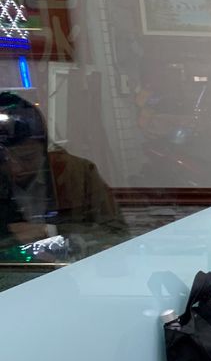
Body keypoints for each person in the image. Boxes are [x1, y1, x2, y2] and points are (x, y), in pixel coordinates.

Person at [0, 92, 126, 259]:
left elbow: (117, 234)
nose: (16, 169)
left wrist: (49, 233)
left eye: (28, 158)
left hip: (73, 271)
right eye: (4, 159)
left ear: (45, 149)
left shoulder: (79, 173)